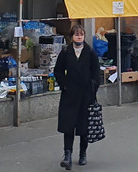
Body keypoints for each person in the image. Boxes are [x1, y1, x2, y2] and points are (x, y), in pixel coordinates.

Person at [53, 24, 101, 170]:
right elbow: (58, 70)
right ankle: (67, 155)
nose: (79, 37)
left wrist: (93, 88)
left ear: (84, 36)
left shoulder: (90, 51)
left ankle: (83, 154)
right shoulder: (66, 51)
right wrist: (64, 85)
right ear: (72, 36)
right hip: (70, 94)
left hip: (86, 94)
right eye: (76, 34)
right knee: (68, 125)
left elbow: (96, 72)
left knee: (84, 126)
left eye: (81, 34)